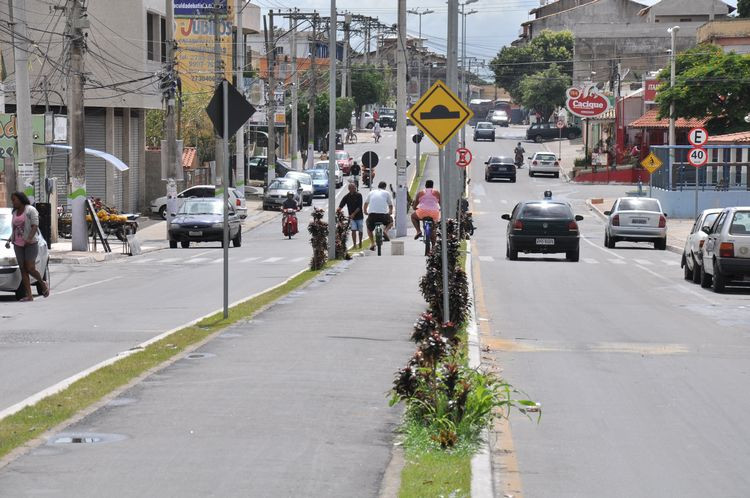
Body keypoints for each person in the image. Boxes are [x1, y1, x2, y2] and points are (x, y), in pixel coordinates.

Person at [6, 192, 49, 301]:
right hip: (18, 244)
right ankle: (29, 295)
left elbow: (35, 225)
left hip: (30, 244)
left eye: (14, 199)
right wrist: (10, 239)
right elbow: (15, 228)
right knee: (23, 269)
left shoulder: (30, 210)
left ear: (20, 199)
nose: (13, 202)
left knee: (30, 268)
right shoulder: (15, 212)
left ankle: (42, 283)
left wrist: (29, 238)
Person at [363, 181, 393, 251]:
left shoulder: (371, 192)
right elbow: (390, 205)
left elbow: (366, 204)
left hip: (372, 215)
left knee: (369, 228)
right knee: (390, 221)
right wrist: (390, 212)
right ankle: (385, 231)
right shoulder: (386, 193)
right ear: (385, 187)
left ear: (378, 186)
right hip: (383, 216)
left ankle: (372, 243)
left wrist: (365, 211)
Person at [337, 182, 364, 249]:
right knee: (353, 230)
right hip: (352, 218)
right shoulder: (347, 196)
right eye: (352, 188)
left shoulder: (359, 195)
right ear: (349, 189)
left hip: (359, 216)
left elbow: (359, 207)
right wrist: (338, 210)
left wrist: (353, 214)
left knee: (360, 230)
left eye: (354, 188)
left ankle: (360, 243)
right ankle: (354, 244)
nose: (354, 189)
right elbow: (341, 205)